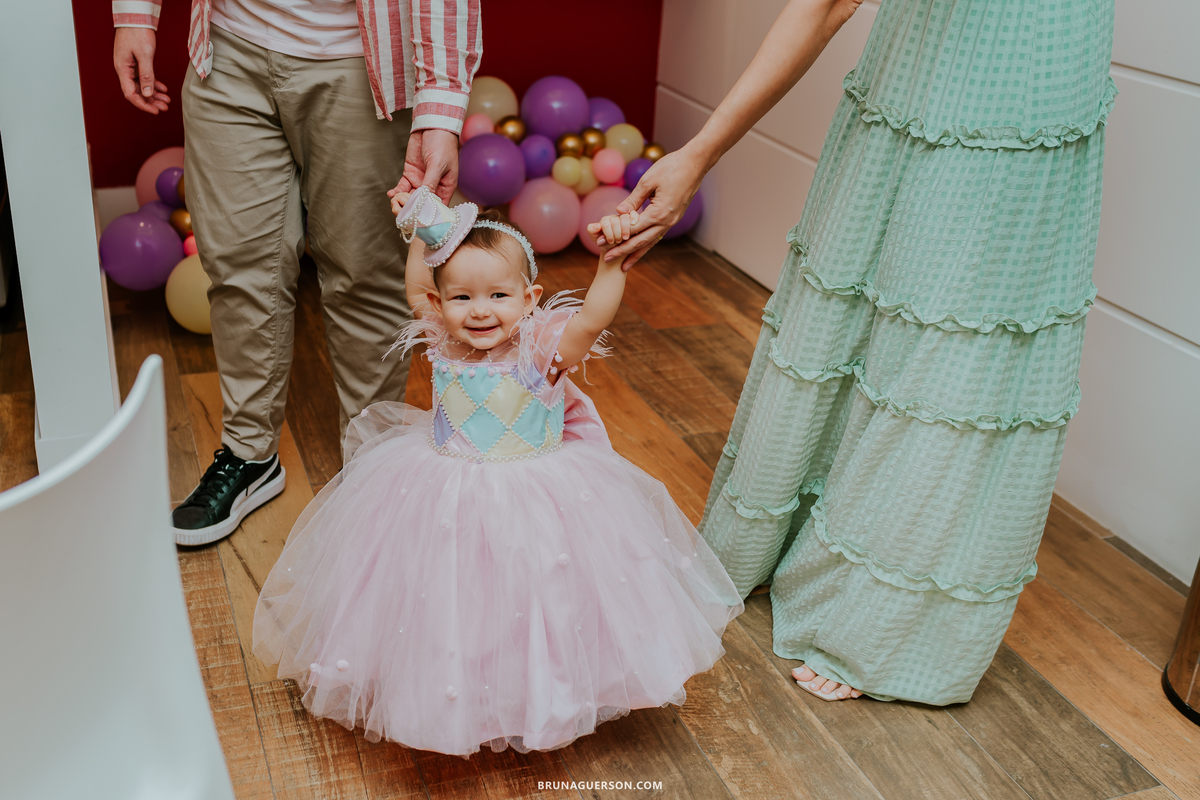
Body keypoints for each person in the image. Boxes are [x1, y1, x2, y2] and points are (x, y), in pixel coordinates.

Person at [606, 0, 1116, 704]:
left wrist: (698, 155)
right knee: (860, 290)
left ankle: (879, 617)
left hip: (1027, 81)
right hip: (918, 58)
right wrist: (696, 156)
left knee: (960, 333)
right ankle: (791, 539)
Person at [251, 188, 743, 755]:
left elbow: (591, 320)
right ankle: (454, 692)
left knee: (536, 596)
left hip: (534, 497)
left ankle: (538, 692)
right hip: (441, 493)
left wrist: (611, 266)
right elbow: (415, 286)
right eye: (461, 296)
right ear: (438, 302)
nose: (479, 310)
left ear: (529, 299)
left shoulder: (542, 355)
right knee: (447, 596)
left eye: (498, 295)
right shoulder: (442, 339)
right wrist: (419, 232)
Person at [112, 0, 480, 545]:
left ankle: (371, 462)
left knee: (365, 274)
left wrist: (442, 109)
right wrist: (134, 15)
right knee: (238, 269)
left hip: (360, 61)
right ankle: (249, 454)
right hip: (228, 46)